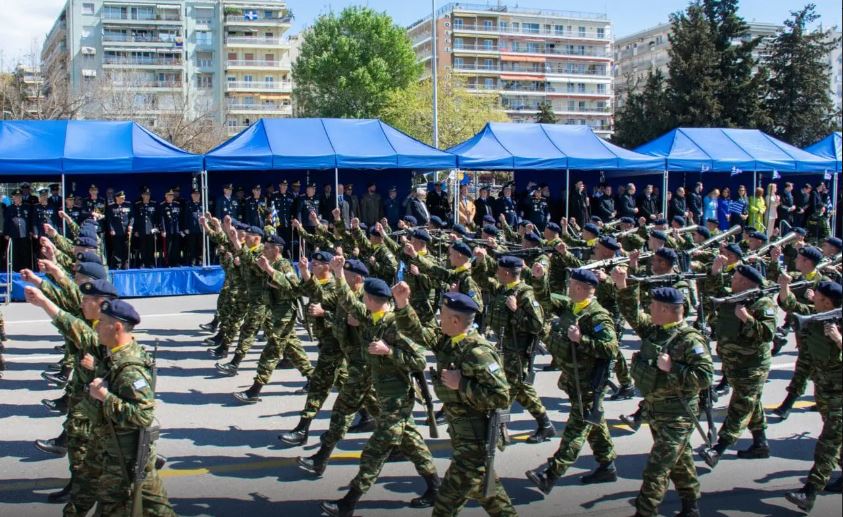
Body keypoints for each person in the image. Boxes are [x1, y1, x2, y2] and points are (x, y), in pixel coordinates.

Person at [320, 262, 439, 516]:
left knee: (374, 452)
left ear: (372, 300)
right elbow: (348, 301)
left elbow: (419, 360)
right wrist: (339, 274)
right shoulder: (370, 317)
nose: (361, 299)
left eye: (364, 297)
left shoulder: (394, 324)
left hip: (397, 400)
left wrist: (389, 351)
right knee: (414, 444)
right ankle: (435, 487)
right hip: (385, 397)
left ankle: (349, 502)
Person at [394, 286, 516, 516]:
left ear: (456, 320)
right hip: (463, 438)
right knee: (492, 499)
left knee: (446, 506)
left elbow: (501, 396)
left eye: (443, 313)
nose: (439, 317)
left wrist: (461, 384)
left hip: (475, 442)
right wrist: (403, 304)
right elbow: (420, 334)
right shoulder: (450, 341)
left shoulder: (478, 352)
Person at [613, 270, 714, 517]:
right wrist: (623, 285)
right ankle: (691, 507)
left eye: (654, 306)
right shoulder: (656, 330)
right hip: (656, 410)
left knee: (656, 469)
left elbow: (705, 378)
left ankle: (645, 511)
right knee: (680, 461)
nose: (649, 309)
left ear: (667, 310)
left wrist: (673, 368)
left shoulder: (691, 340)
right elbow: (632, 315)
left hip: (678, 414)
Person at [525, 266, 619, 493]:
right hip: (574, 379)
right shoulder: (572, 306)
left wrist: (581, 339)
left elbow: (611, 348)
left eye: (571, 285)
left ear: (580, 287)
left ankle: (550, 474)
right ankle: (607, 465)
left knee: (577, 430)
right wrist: (540, 278)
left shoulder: (597, 317)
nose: (568, 288)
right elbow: (545, 299)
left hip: (587, 383)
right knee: (594, 423)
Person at [700, 263, 776, 468]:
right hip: (732, 364)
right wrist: (714, 271)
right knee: (751, 402)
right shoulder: (731, 296)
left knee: (740, 406)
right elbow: (711, 291)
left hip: (752, 366)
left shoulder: (763, 303)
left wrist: (747, 318)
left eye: (735, 279)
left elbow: (767, 335)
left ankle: (719, 448)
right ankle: (760, 443)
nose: (731, 280)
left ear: (745, 283)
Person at [777, 278, 842, 512]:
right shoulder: (816, 317)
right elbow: (791, 305)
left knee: (828, 442)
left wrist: (838, 339)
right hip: (825, 389)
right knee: (836, 440)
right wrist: (784, 286)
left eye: (822, 300)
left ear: (831, 302)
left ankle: (809, 492)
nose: (817, 302)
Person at [5, 189, 33, 271]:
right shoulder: (9, 208)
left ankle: (26, 269)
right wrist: (6, 233)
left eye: (19, 197)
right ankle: (15, 270)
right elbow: (6, 221)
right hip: (14, 234)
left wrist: (31, 230)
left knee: (25, 253)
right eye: (16, 197)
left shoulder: (27, 207)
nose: (18, 198)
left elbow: (30, 220)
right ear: (13, 198)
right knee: (15, 253)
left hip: (25, 233)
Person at [105, 191, 133, 269]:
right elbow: (109, 220)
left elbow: (132, 217)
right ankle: (118, 264)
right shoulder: (111, 207)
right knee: (117, 248)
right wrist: (111, 229)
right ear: (117, 198)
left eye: (124, 198)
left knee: (126, 247)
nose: (123, 199)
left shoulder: (128, 205)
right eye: (121, 198)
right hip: (116, 231)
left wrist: (130, 226)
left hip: (126, 231)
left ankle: (126, 264)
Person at [133, 188, 159, 268]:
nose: (147, 196)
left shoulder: (154, 204)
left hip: (151, 230)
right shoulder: (138, 205)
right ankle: (143, 262)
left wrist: (157, 228)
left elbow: (156, 217)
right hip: (141, 230)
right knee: (142, 247)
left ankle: (151, 262)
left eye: (148, 195)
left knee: (151, 247)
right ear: (142, 195)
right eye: (145, 195)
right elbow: (135, 218)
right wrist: (136, 230)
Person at [159, 190, 182, 267]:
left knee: (176, 246)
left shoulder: (177, 204)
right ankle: (167, 262)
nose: (170, 197)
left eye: (172, 196)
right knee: (168, 247)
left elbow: (180, 218)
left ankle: (175, 262)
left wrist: (181, 229)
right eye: (169, 195)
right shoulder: (162, 205)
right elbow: (161, 219)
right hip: (167, 230)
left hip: (176, 229)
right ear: (166, 196)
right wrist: (163, 230)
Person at [182, 188, 204, 266]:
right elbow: (185, 217)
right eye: (195, 195)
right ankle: (193, 260)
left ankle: (200, 260)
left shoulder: (203, 204)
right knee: (192, 246)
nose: (196, 196)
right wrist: (186, 228)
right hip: (191, 229)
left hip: (201, 228)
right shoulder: (188, 205)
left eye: (198, 195)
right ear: (191, 196)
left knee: (201, 246)